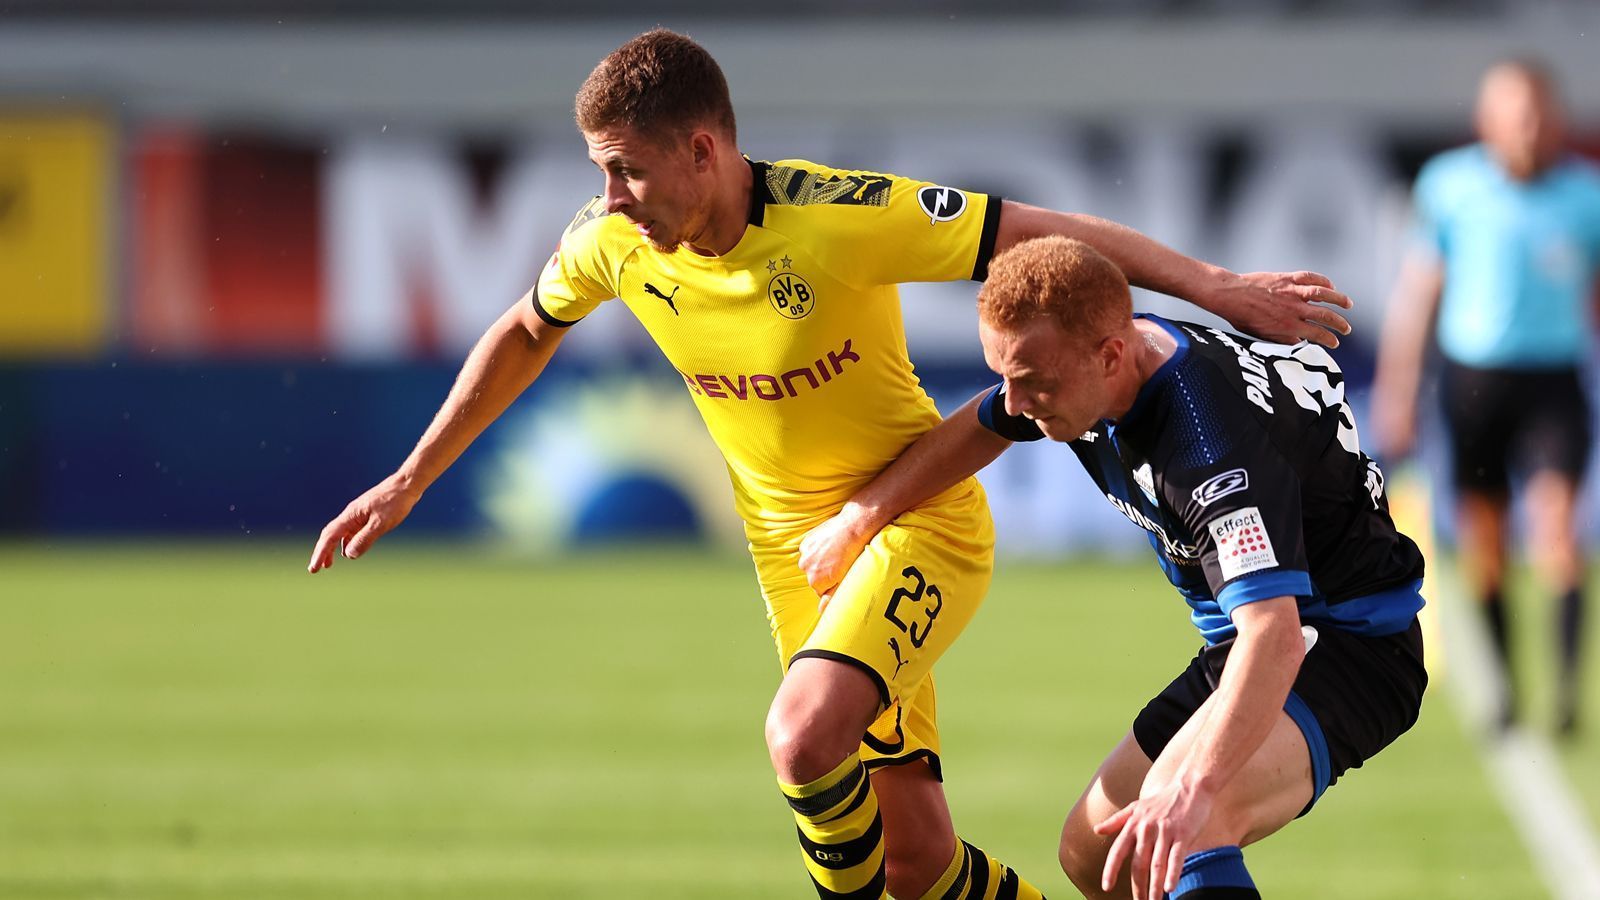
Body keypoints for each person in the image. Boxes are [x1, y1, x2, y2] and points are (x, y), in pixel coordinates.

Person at [307, 29, 1353, 900]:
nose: (612, 195)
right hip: (794, 554)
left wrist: (1217, 288)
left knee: (802, 740)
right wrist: (412, 476)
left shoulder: (837, 218)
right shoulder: (612, 245)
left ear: (704, 149)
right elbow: (528, 330)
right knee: (918, 863)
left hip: (912, 525)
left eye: (627, 167)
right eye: (600, 171)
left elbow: (1043, 235)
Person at [798, 236, 1424, 900]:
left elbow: (1274, 632)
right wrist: (859, 519)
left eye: (1031, 382)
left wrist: (1195, 788)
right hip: (1254, 639)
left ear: (1111, 355)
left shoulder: (1206, 445)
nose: (1014, 401)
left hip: (1347, 643)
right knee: (1096, 854)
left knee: (1186, 820)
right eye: (1003, 374)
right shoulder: (1091, 368)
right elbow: (984, 424)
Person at [1373, 58, 1600, 735]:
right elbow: (1420, 291)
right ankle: (1506, 689)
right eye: (1514, 113)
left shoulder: (1584, 195)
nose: (1527, 128)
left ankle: (1564, 692)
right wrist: (1400, 385)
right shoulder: (1452, 188)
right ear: (1489, 121)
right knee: (1488, 546)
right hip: (1476, 385)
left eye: (1537, 113)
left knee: (1558, 535)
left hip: (1553, 381)